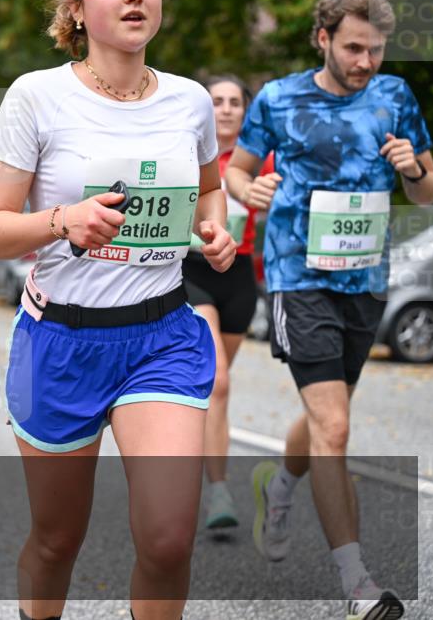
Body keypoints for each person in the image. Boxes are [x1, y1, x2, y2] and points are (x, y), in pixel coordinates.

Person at [0, 0, 236, 619]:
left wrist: (215, 229)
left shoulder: (190, 100)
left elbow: (209, 189)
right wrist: (65, 220)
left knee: (169, 538)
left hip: (162, 336)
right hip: (61, 339)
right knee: (58, 540)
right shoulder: (36, 96)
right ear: (75, 7)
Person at [225, 0, 433, 620]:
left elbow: (428, 192)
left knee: (327, 417)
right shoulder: (279, 98)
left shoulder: (395, 97)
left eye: (374, 50)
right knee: (336, 426)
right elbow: (236, 169)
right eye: (352, 48)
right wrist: (247, 191)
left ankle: (278, 483)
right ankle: (358, 584)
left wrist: (413, 169)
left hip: (364, 278)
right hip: (298, 274)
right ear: (323, 38)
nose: (365, 62)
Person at [182, 74, 275, 530]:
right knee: (217, 380)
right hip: (192, 272)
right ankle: (218, 491)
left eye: (234, 102)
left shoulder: (261, 158)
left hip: (238, 277)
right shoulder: (188, 154)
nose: (225, 109)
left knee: (208, 388)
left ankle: (179, 442)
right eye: (216, 100)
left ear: (245, 110)